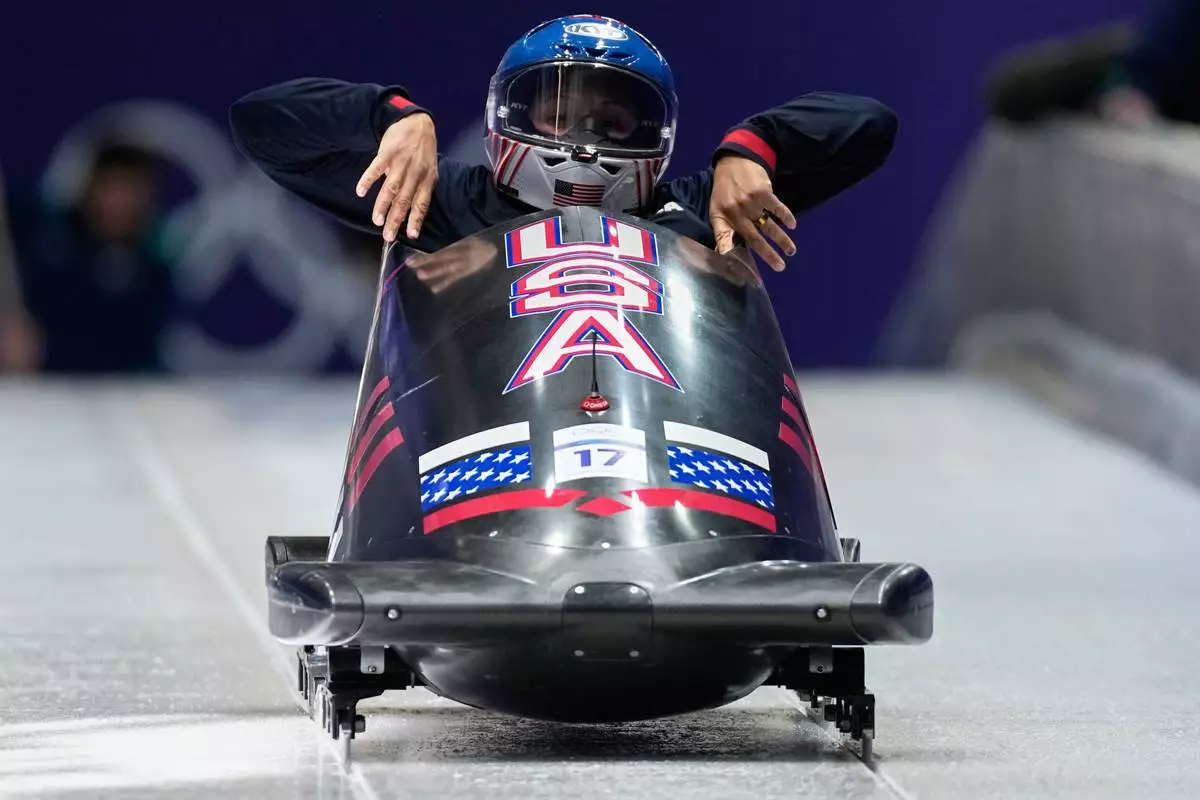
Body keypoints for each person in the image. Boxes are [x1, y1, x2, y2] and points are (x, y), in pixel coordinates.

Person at [229, 14, 897, 273]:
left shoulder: (709, 215)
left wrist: (751, 152)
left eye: (613, 122)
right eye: (558, 116)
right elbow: (259, 122)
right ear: (508, 114)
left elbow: (871, 126)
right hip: (482, 461)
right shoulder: (436, 204)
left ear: (654, 135)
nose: (583, 142)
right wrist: (392, 116)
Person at [14, 140, 176, 374]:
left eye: (133, 191)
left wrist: (48, 346)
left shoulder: (154, 270)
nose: (120, 203)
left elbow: (132, 348)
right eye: (113, 188)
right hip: (28, 391)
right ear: (91, 185)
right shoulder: (37, 231)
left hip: (106, 398)